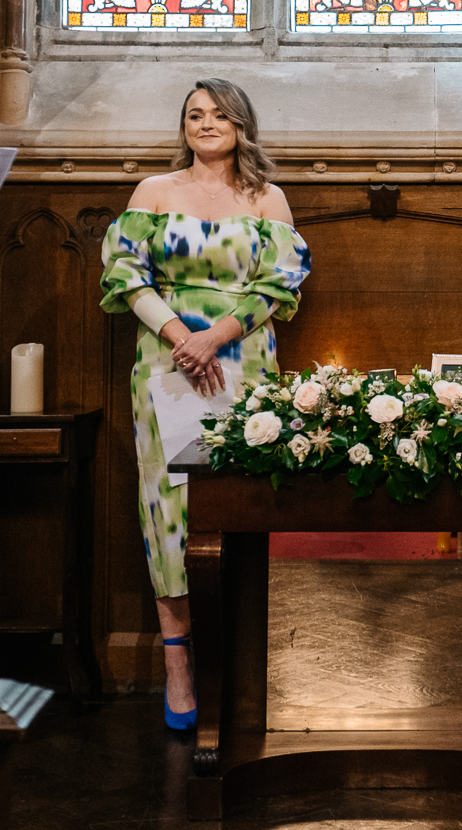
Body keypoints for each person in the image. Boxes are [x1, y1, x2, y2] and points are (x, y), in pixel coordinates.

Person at [99, 79, 311, 729]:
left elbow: (281, 283)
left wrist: (217, 336)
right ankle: (178, 664)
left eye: (219, 113)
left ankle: (238, 660)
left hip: (241, 363)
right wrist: (180, 336)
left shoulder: (267, 199)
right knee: (169, 512)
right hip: (166, 366)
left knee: (240, 504)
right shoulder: (154, 194)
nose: (206, 123)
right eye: (194, 114)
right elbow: (124, 275)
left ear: (242, 124)